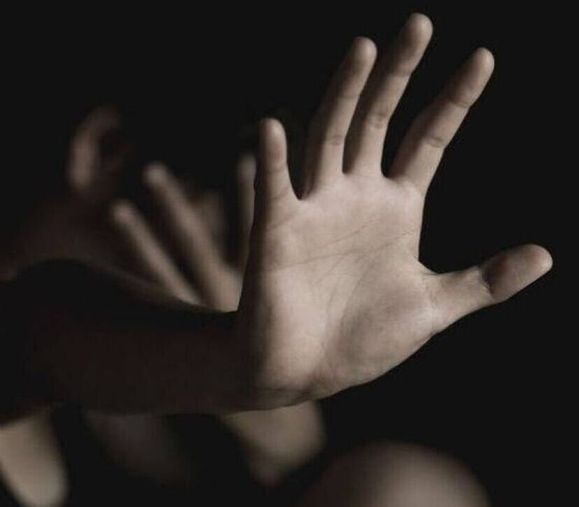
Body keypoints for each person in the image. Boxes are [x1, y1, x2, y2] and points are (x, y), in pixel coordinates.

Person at [1, 13, 551, 506]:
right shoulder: (67, 353)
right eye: (228, 241)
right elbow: (27, 336)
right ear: (108, 147)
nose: (241, 299)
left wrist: (295, 456)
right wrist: (218, 362)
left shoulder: (157, 446)